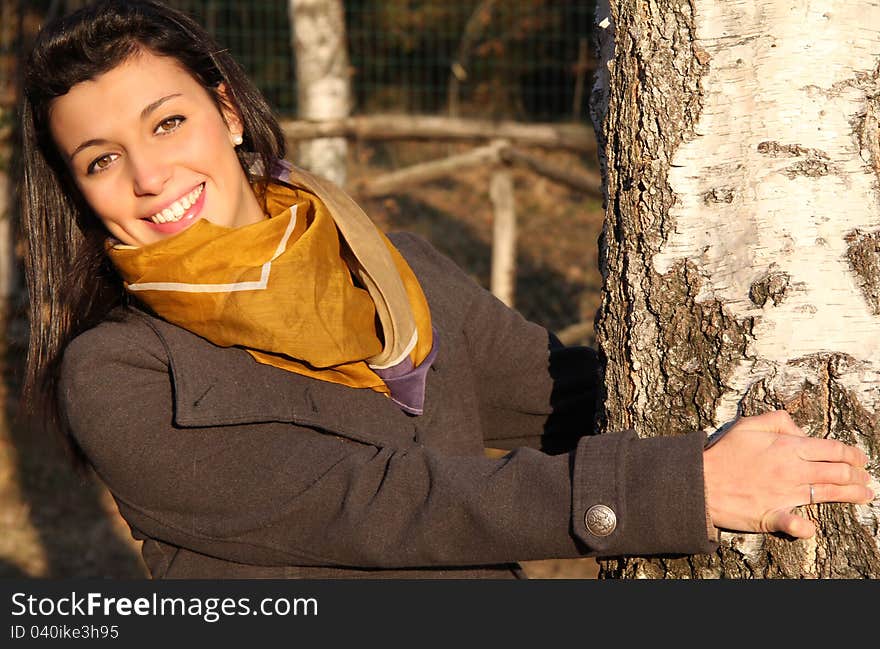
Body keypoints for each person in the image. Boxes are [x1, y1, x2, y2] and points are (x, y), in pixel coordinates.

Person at [17, 0, 873, 579]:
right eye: (100, 159)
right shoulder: (121, 372)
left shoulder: (395, 267)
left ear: (229, 112)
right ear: (78, 190)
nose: (147, 173)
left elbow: (563, 395)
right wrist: (674, 489)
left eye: (167, 121)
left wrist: (767, 379)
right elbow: (379, 505)